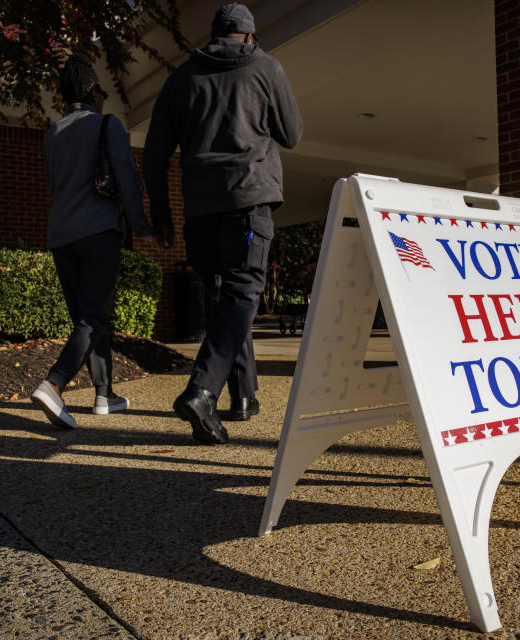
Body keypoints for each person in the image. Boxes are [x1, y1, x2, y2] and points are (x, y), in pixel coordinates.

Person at [143, 3, 303, 444]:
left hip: (199, 209)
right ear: (249, 36)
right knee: (243, 293)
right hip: (248, 201)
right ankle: (202, 389)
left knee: (223, 297)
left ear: (213, 34)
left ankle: (244, 395)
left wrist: (163, 214)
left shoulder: (180, 79)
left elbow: (154, 157)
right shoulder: (266, 67)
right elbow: (292, 133)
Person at [31, 54, 166, 428]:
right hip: (98, 231)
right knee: (94, 316)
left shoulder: (51, 134)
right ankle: (54, 384)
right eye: (102, 90)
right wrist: (143, 229)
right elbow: (127, 181)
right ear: (94, 91)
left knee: (87, 317)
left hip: (61, 235)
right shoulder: (108, 125)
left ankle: (105, 394)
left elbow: (55, 185)